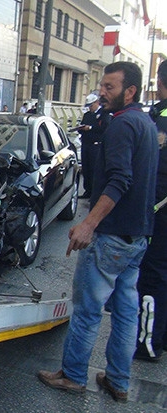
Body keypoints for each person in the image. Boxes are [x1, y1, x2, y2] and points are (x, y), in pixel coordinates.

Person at [37, 61, 158, 403]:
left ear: (130, 91)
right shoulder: (146, 123)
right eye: (102, 86)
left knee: (88, 310)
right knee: (124, 312)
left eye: (109, 87)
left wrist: (89, 224)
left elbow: (120, 180)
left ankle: (73, 375)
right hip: (137, 238)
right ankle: (118, 381)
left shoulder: (122, 126)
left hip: (111, 237)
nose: (102, 93)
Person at [135, 59, 167, 363]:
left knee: (152, 279)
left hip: (159, 211)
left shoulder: (161, 119)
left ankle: (147, 343)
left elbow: (155, 173)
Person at [78, 93, 110, 199]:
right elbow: (83, 125)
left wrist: (91, 128)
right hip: (86, 144)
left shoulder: (104, 114)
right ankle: (87, 191)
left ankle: (95, 193)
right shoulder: (87, 115)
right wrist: (81, 128)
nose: (90, 108)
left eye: (91, 106)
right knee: (86, 169)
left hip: (96, 146)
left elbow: (104, 128)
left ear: (97, 103)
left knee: (94, 170)